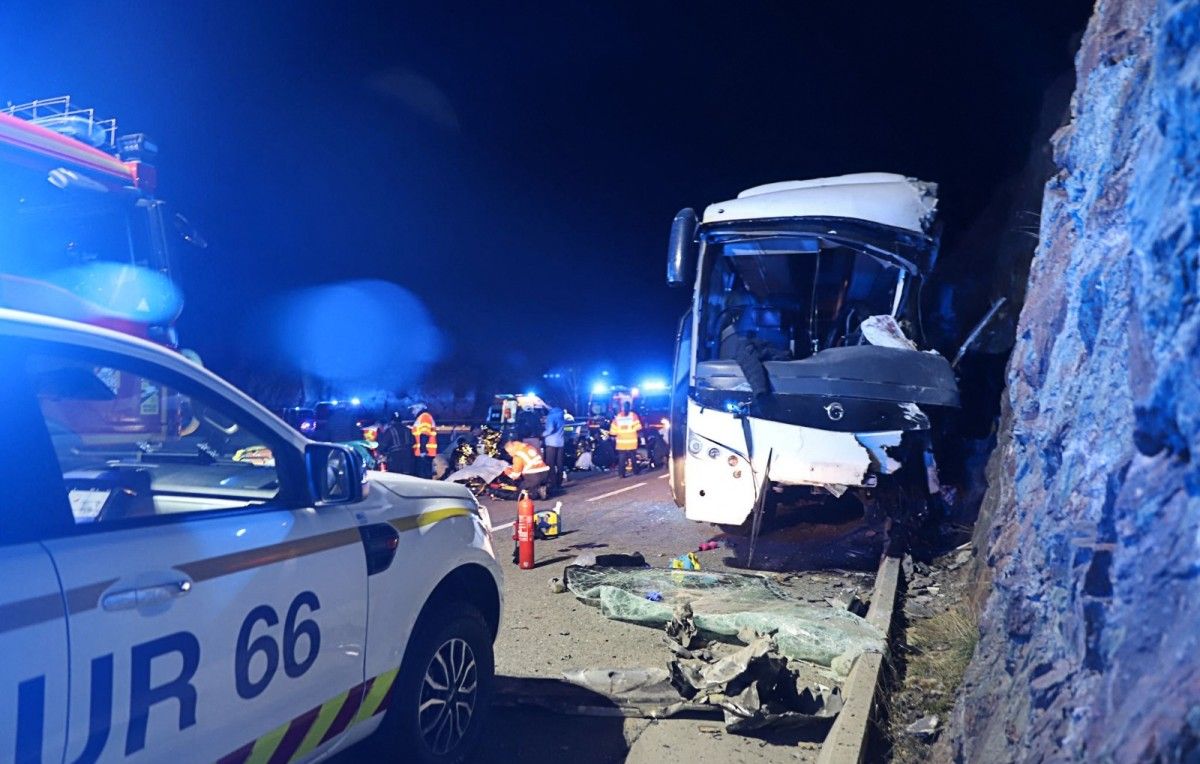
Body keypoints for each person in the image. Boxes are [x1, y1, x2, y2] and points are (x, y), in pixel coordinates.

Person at [609, 401, 642, 478]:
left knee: (622, 458)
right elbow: (638, 427)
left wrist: (614, 435)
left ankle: (621, 474)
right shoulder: (633, 416)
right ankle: (635, 471)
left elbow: (613, 429)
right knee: (633, 457)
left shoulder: (618, 416)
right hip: (631, 441)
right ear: (629, 407)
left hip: (621, 442)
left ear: (623, 407)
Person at [409, 402, 438, 479]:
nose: (412, 412)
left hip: (424, 454)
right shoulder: (422, 417)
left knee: (423, 477)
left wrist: (423, 451)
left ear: (419, 408)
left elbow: (424, 434)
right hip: (424, 453)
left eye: (413, 409)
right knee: (423, 477)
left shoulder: (424, 417)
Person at [542, 406, 566, 492]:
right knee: (559, 463)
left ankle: (553, 483)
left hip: (551, 443)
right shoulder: (561, 415)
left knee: (550, 464)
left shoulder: (551, 416)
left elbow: (550, 429)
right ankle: (559, 482)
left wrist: (542, 434)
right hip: (560, 442)